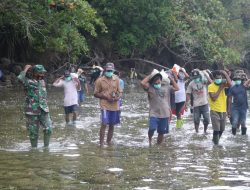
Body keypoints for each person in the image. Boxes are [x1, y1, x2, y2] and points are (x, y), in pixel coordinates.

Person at [141, 69, 179, 146]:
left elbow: (177, 88)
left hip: (165, 114)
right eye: (155, 80)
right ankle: (150, 141)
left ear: (161, 80)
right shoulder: (150, 88)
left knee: (161, 132)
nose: (157, 82)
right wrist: (151, 75)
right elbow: (142, 83)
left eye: (158, 80)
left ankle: (158, 146)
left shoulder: (167, 87)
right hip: (154, 113)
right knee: (152, 128)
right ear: (153, 82)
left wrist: (171, 78)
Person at [17, 64, 52, 148]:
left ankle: (46, 148)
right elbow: (19, 79)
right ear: (35, 73)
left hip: (44, 110)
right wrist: (25, 69)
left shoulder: (42, 82)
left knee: (48, 129)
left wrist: (46, 103)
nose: (42, 75)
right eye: (40, 73)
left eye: (43, 73)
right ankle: (34, 151)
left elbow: (44, 95)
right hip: (32, 111)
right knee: (33, 133)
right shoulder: (27, 82)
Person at [94, 62, 122, 147]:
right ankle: (101, 144)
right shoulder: (99, 80)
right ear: (105, 70)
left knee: (112, 125)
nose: (109, 72)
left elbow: (120, 91)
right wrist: (105, 97)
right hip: (104, 105)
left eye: (111, 70)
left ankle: (109, 142)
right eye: (108, 70)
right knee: (104, 123)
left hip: (114, 105)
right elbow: (95, 94)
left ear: (113, 71)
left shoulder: (116, 79)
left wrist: (118, 97)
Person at [185, 69, 212, 133]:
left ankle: (205, 131)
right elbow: (188, 94)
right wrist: (186, 104)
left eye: (197, 77)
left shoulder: (203, 81)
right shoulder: (191, 84)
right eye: (194, 77)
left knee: (207, 119)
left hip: (205, 103)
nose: (196, 78)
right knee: (196, 120)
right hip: (196, 105)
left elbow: (211, 82)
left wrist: (205, 74)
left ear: (199, 76)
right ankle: (196, 132)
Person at [208, 70, 231, 145]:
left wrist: (225, 74)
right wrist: (220, 89)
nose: (219, 79)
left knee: (222, 129)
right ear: (214, 78)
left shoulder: (223, 84)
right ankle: (216, 145)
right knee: (216, 129)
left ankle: (214, 141)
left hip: (223, 110)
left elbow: (230, 85)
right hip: (214, 110)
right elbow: (213, 98)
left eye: (220, 78)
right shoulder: (210, 86)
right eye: (217, 78)